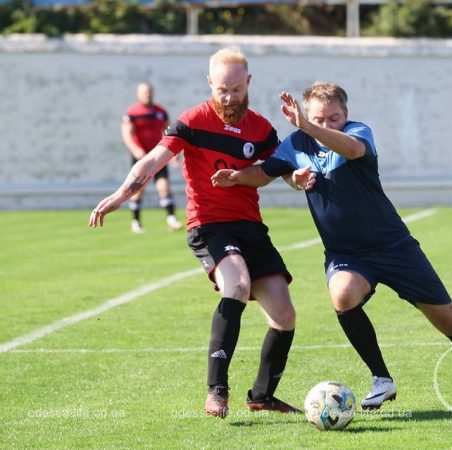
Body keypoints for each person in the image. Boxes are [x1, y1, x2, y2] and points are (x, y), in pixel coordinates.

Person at [211, 82, 452, 410]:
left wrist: (307, 124)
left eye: (334, 117)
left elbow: (352, 150)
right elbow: (264, 173)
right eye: (319, 118)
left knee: (450, 320)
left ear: (345, 115)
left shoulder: (358, 133)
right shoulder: (295, 146)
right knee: (342, 295)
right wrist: (238, 177)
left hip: (395, 247)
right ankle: (382, 379)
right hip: (347, 254)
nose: (327, 124)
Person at [90, 49, 300, 418]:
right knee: (235, 284)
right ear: (209, 84)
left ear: (248, 83)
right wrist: (122, 194)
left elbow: (280, 167)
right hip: (209, 225)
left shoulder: (262, 128)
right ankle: (217, 391)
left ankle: (262, 396)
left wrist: (295, 177)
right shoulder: (192, 121)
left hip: (251, 227)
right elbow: (154, 160)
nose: (229, 97)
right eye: (222, 89)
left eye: (235, 89)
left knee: (284, 314)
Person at [121, 82, 183, 233]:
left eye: (149, 92)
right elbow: (127, 133)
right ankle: (136, 221)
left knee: (164, 186)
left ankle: (171, 219)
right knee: (138, 188)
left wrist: (173, 153)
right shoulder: (132, 112)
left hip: (158, 155)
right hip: (142, 157)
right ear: (138, 94)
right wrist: (136, 150)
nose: (147, 94)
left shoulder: (161, 112)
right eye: (144, 92)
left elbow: (168, 133)